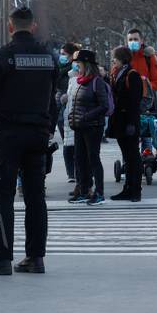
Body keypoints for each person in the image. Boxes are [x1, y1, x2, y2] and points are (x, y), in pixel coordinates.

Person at [0, 7, 57, 275]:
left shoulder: (3, 57)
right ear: (33, 27)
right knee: (35, 197)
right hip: (38, 134)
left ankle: (1, 257)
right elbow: (53, 93)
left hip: (9, 133)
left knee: (3, 195)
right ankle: (35, 257)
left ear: (10, 27)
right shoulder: (48, 57)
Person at [67, 49, 109, 205]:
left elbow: (103, 106)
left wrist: (86, 116)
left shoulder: (97, 82)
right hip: (79, 126)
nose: (77, 67)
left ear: (86, 65)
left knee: (93, 159)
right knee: (79, 159)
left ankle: (99, 192)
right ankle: (84, 190)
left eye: (79, 64)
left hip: (92, 126)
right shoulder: (79, 81)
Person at [107, 46, 143, 202]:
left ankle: (135, 189)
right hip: (120, 122)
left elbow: (135, 103)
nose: (113, 60)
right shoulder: (117, 74)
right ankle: (128, 188)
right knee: (127, 157)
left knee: (133, 156)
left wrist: (132, 124)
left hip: (128, 122)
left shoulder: (132, 75)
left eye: (115, 57)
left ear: (122, 59)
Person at [56, 43, 78, 182]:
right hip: (61, 110)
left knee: (75, 142)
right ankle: (71, 173)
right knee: (66, 141)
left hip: (73, 109)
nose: (61, 56)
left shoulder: (75, 69)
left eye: (64, 54)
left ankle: (77, 170)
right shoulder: (59, 70)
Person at [125, 28, 157, 111]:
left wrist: (144, 87)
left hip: (146, 102)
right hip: (127, 101)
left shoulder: (148, 57)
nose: (132, 42)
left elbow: (156, 81)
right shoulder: (123, 57)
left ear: (141, 41)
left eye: (135, 39)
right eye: (130, 40)